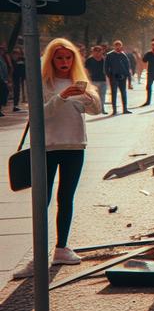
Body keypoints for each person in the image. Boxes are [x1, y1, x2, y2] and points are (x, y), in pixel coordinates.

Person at [12, 39, 101, 278]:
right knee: (43, 200)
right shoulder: (42, 83)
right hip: (47, 147)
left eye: (68, 58)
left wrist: (88, 96)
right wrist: (61, 97)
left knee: (66, 197)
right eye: (59, 58)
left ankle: (62, 248)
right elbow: (38, 115)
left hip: (75, 146)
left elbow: (96, 110)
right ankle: (37, 255)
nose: (64, 62)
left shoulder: (79, 80)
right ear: (51, 59)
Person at [105, 39, 132, 114]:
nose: (118, 47)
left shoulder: (123, 55)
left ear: (121, 46)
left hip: (123, 77)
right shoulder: (109, 55)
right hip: (114, 77)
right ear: (114, 46)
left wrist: (128, 77)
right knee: (114, 93)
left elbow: (128, 67)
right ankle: (114, 110)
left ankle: (125, 109)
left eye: (119, 46)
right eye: (116, 46)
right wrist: (110, 76)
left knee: (123, 93)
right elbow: (106, 67)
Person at [84, 45, 109, 115]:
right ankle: (96, 109)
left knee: (102, 96)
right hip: (93, 81)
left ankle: (102, 109)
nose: (97, 52)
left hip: (103, 80)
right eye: (96, 51)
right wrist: (88, 79)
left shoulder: (104, 60)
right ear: (93, 52)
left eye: (99, 51)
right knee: (94, 96)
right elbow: (85, 70)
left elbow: (108, 69)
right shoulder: (89, 60)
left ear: (102, 52)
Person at [10, 45, 26, 112]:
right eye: (15, 53)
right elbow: (11, 69)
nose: (17, 55)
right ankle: (15, 106)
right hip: (15, 78)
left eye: (18, 53)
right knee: (16, 91)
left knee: (20, 91)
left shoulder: (23, 59)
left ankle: (17, 105)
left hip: (23, 78)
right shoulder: (11, 61)